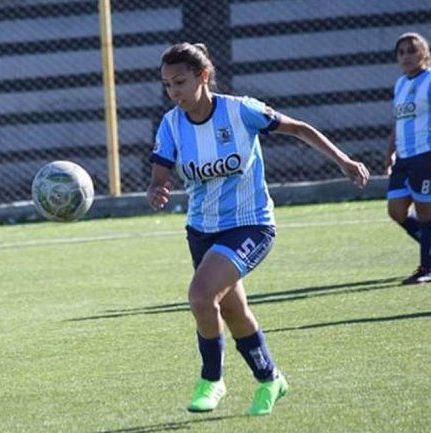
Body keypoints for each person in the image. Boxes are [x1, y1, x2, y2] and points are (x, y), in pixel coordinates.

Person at [146, 42, 370, 416]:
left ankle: (212, 379)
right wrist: (157, 190)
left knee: (201, 296)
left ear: (203, 77)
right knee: (232, 312)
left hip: (252, 224)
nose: (174, 93)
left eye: (180, 82)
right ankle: (271, 379)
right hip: (202, 230)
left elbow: (299, 129)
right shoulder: (171, 123)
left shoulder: (240, 110)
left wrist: (344, 161)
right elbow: (159, 176)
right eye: (167, 85)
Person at [385, 32, 431, 285]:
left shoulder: (429, 81)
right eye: (401, 52)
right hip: (403, 158)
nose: (406, 56)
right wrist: (390, 151)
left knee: (425, 212)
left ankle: (427, 267)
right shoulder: (401, 84)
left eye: (411, 50)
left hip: (425, 156)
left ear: (423, 53)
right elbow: (398, 121)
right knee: (396, 210)